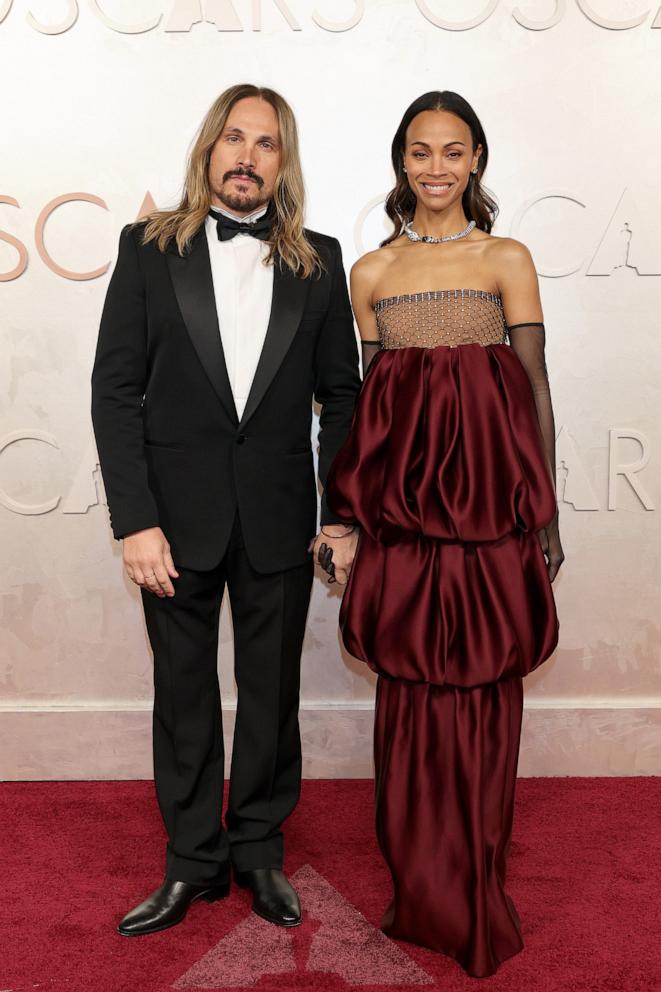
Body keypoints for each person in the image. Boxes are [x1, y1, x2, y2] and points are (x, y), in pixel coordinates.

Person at [91, 84, 360, 937]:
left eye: (267, 143)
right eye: (235, 138)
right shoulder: (145, 251)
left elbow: (341, 397)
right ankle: (191, 864)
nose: (248, 156)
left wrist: (341, 513)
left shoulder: (318, 259)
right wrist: (133, 519)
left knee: (270, 694)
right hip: (171, 522)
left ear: (283, 163)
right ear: (209, 149)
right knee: (184, 695)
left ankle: (258, 853)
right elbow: (116, 391)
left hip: (280, 518)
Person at [325, 91, 565, 979]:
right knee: (411, 696)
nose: (435, 167)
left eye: (452, 152)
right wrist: (346, 516)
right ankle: (418, 883)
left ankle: (473, 881)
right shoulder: (370, 273)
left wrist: (543, 510)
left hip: (490, 522)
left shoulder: (506, 257)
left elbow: (533, 391)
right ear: (400, 162)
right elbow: (367, 413)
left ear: (476, 161)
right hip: (404, 527)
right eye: (420, 152)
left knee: (484, 693)